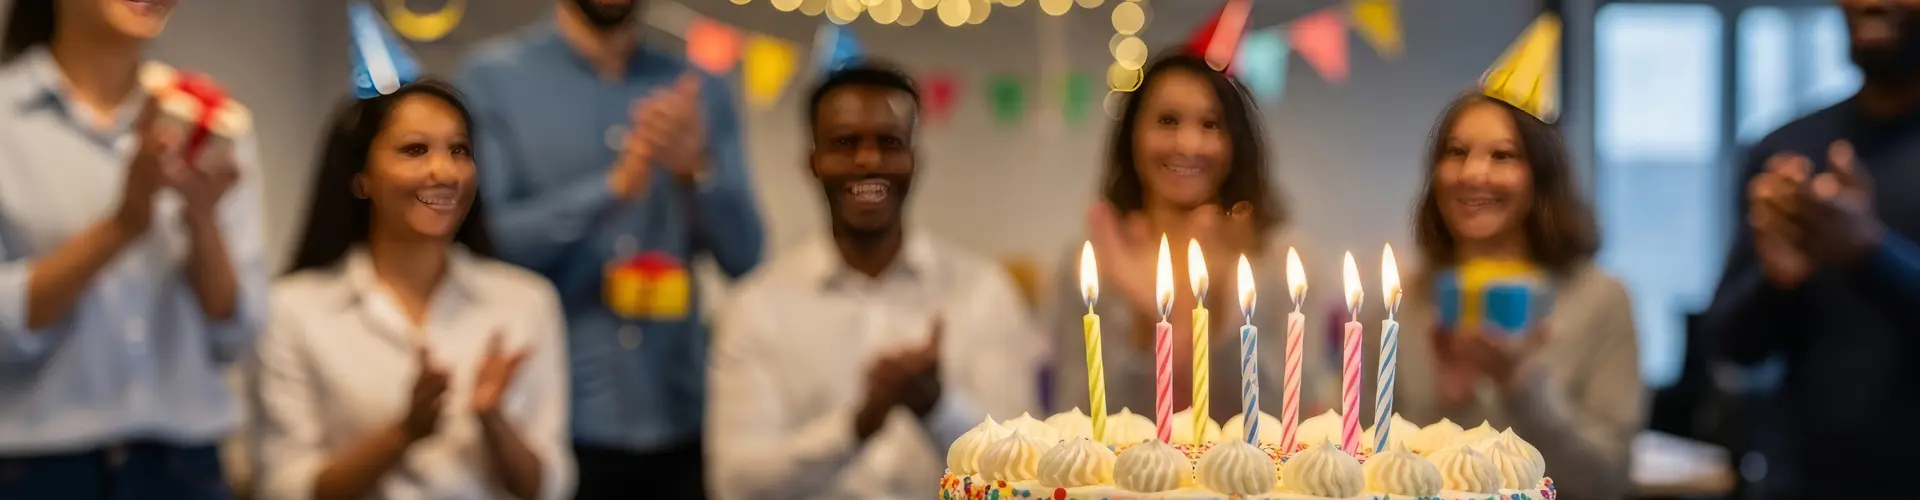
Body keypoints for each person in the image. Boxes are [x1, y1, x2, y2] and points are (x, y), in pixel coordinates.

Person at [455, 1, 764, 497]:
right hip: (548, 422)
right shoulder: (492, 80)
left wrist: (697, 171)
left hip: (679, 416)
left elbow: (746, 256)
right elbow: (485, 245)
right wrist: (613, 188)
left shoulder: (698, 86)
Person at [705, 62, 1039, 499]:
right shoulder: (757, 307)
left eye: (889, 142)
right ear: (813, 162)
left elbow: (1025, 473)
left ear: (915, 160)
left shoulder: (985, 292)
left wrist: (937, 407)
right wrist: (857, 425)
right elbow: (735, 483)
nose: (867, 159)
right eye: (845, 143)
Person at [0, 0, 267, 497]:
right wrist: (122, 225)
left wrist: (202, 217)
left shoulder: (212, 120)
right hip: (36, 469)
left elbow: (235, 332)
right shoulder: (7, 119)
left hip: (187, 467)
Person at [1047, 50, 1336, 432]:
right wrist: (1143, 318)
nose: (1187, 143)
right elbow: (1076, 420)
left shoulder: (1281, 259)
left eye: (1210, 124)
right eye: (1167, 121)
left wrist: (1217, 297)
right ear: (1132, 134)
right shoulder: (1090, 263)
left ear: (1236, 141)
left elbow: (1285, 415)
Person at [1701, 0, 1920, 496]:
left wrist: (1871, 253)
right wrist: (1778, 281)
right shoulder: (1790, 148)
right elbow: (1732, 346)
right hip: (1800, 480)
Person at [1387, 92, 1642, 500]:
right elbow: (1363, 463)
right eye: (1456, 152)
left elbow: (1606, 479)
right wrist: (1450, 402)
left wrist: (1519, 384)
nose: (1473, 173)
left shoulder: (1600, 299)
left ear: (1542, 174)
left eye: (1503, 156)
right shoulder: (1401, 299)